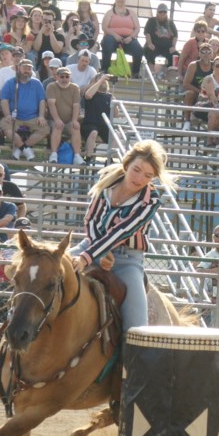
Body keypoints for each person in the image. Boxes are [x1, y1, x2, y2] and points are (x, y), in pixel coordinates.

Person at [69, 140, 174, 335]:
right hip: (92, 245)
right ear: (127, 164)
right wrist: (98, 254)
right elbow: (91, 220)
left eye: (148, 175)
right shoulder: (107, 183)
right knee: (49, 269)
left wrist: (86, 258)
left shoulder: (151, 201)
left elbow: (122, 231)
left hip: (127, 260)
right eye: (137, 170)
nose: (140, 178)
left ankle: (132, 362)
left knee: (136, 328)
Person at [100, 0, 142, 78]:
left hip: (128, 38)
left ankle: (135, 73)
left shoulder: (131, 13)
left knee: (138, 49)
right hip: (112, 37)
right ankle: (105, 69)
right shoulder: (110, 12)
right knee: (107, 42)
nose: (120, 0)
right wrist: (115, 35)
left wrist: (131, 37)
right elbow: (104, 27)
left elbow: (137, 28)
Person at [143, 4, 178, 73]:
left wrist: (173, 46)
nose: (162, 13)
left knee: (176, 55)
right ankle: (151, 71)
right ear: (157, 12)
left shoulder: (170, 23)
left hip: (167, 48)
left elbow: (175, 36)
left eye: (164, 12)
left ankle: (171, 73)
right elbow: (147, 33)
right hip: (154, 46)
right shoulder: (151, 21)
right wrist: (149, 43)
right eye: (160, 12)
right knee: (147, 50)